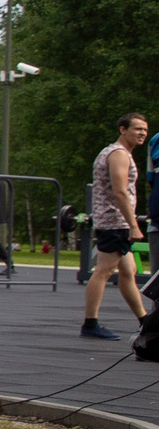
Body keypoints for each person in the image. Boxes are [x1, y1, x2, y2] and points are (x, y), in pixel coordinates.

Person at [83, 112, 149, 339]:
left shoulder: (116, 153)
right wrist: (133, 225)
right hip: (114, 222)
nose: (142, 133)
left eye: (145, 130)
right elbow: (120, 192)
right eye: (137, 129)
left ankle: (145, 321)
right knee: (104, 271)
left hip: (114, 221)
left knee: (128, 271)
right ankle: (90, 323)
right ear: (123, 129)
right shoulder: (118, 154)